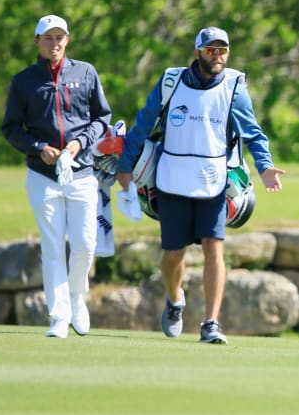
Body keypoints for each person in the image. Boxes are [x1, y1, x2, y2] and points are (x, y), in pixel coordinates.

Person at [116, 26, 284, 345]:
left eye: (222, 50)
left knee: (213, 248)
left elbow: (253, 133)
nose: (217, 55)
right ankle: (175, 298)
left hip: (213, 179)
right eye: (211, 50)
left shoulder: (235, 86)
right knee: (172, 255)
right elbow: (144, 123)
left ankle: (211, 323)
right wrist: (125, 166)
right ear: (197, 52)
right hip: (172, 178)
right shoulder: (171, 81)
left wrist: (265, 167)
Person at [2, 14, 112, 339]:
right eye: (48, 38)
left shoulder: (86, 72)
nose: (55, 43)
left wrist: (80, 143)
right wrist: (38, 147)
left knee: (84, 244)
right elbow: (10, 128)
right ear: (37, 41)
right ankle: (59, 316)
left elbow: (102, 117)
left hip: (82, 172)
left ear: (68, 39)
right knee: (52, 246)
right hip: (42, 174)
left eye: (60, 37)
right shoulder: (24, 81)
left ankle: (78, 298)